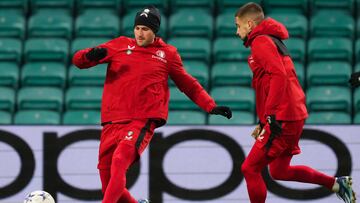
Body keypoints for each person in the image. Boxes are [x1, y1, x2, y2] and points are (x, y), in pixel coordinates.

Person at [72, 5, 232, 203]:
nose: (140, 33)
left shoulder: (168, 54)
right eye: (137, 28)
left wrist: (210, 105)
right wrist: (89, 55)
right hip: (111, 120)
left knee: (120, 161)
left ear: (154, 31)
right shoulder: (120, 45)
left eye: (145, 29)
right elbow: (78, 61)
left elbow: (187, 83)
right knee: (108, 184)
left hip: (141, 119)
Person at [235, 2, 356, 203]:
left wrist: (270, 116)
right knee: (279, 171)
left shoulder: (260, 42)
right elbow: (269, 83)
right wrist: (263, 121)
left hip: (283, 116)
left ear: (249, 24)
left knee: (249, 168)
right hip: (290, 114)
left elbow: (279, 76)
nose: (236, 32)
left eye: (238, 26)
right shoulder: (271, 40)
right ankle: (336, 184)